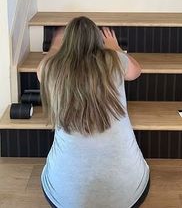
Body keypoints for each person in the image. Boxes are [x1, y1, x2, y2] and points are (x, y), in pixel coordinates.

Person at [38, 16, 150, 208]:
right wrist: (115, 48)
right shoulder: (115, 61)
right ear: (97, 40)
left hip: (65, 196)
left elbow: (40, 70)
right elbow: (136, 71)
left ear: (68, 42)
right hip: (127, 194)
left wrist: (55, 46)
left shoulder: (53, 67)